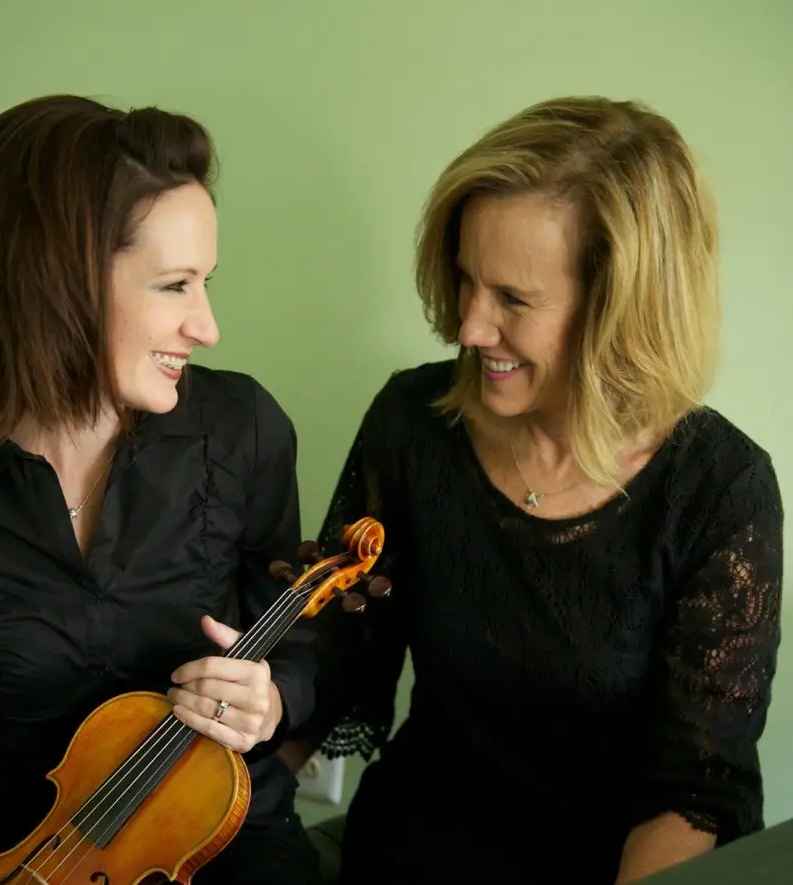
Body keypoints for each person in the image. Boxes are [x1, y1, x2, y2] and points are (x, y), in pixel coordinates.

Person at [0, 94, 320, 885]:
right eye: (175, 285)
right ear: (56, 281)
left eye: (205, 282)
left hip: (227, 854)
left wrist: (272, 700)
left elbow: (298, 642)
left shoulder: (244, 428)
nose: (207, 326)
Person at [294, 96, 784, 884]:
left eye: (513, 299)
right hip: (408, 852)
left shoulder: (721, 488)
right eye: (465, 280)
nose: (469, 326)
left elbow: (691, 793)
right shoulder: (412, 421)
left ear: (622, 311)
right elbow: (334, 669)